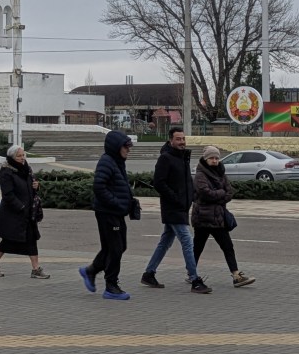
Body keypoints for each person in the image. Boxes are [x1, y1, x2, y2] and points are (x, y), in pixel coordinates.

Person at [140, 126, 212, 294]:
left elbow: (185, 182)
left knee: (165, 241)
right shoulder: (166, 158)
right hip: (173, 208)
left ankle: (149, 273)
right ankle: (195, 279)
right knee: (187, 240)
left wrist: (191, 196)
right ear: (170, 140)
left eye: (183, 139)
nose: (182, 142)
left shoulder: (183, 157)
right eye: (178, 139)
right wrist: (175, 198)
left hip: (181, 207)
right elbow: (159, 183)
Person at [79, 130, 136, 300]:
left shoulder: (117, 162)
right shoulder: (107, 162)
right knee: (115, 248)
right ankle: (111, 286)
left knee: (117, 247)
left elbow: (117, 185)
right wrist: (116, 203)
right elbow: (99, 187)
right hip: (108, 213)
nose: (128, 149)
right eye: (126, 146)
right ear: (116, 147)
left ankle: (91, 271)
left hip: (116, 212)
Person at [191, 145, 255, 288]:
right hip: (203, 218)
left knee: (227, 246)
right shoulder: (200, 175)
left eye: (216, 158)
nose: (214, 161)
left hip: (218, 218)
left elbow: (229, 192)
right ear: (206, 159)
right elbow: (205, 193)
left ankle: (236, 275)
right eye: (211, 158)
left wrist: (218, 195)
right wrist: (221, 193)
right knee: (198, 247)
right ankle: (191, 273)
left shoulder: (221, 173)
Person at [0, 145, 50, 279]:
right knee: (8, 241)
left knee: (31, 240)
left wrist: (37, 186)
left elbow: (31, 186)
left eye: (23, 155)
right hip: (13, 214)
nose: (22, 158)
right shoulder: (6, 171)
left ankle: (36, 269)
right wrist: (21, 207)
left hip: (28, 212)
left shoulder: (26, 168)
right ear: (12, 157)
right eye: (19, 156)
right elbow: (7, 194)